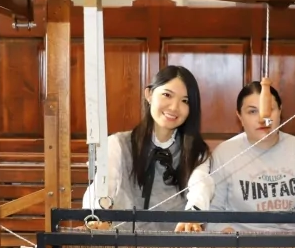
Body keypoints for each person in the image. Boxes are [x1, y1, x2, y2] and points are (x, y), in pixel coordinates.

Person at [81, 65, 211, 232]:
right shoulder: (117, 144)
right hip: (122, 243)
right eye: (167, 95)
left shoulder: (197, 152)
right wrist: (98, 217)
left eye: (185, 101)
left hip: (174, 243)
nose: (174, 107)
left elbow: (201, 186)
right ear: (149, 95)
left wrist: (193, 216)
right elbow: (103, 186)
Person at [197, 81, 295, 233]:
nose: (262, 118)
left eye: (269, 109)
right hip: (241, 241)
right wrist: (230, 235)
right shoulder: (225, 153)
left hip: (293, 242)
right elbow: (213, 213)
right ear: (239, 116)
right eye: (252, 111)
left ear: (280, 111)